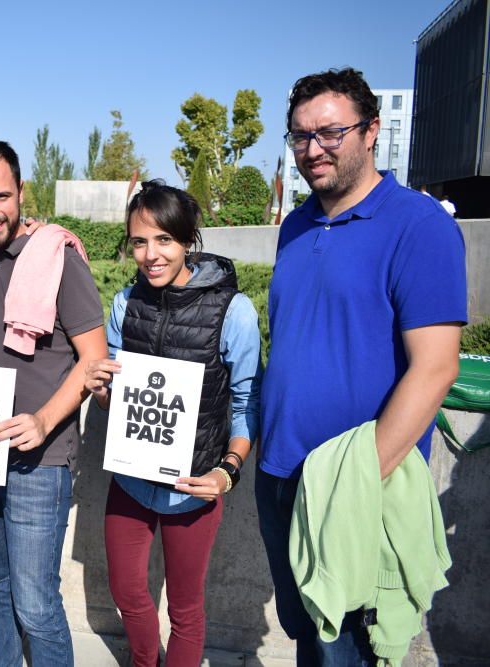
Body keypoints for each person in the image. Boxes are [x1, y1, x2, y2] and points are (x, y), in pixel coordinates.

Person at [259, 67, 466, 665]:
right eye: (299, 136)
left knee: (349, 652)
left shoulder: (419, 225)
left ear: (371, 130)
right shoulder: (296, 225)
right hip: (281, 476)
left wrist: (353, 483)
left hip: (354, 488)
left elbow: (435, 369)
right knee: (309, 639)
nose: (311, 149)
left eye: (329, 132)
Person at [84, 181, 261, 667]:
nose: (151, 254)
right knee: (127, 591)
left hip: (193, 486)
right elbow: (113, 403)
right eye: (139, 241)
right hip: (132, 480)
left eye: (164, 240)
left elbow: (248, 405)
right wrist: (102, 391)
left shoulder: (234, 312)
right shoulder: (124, 303)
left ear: (188, 240)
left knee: (185, 609)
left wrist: (226, 472)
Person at [0, 138, 108, 666]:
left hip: (42, 461)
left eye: (1, 196)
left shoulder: (56, 256)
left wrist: (42, 420)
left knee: (37, 605)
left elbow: (94, 361)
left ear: (21, 191)